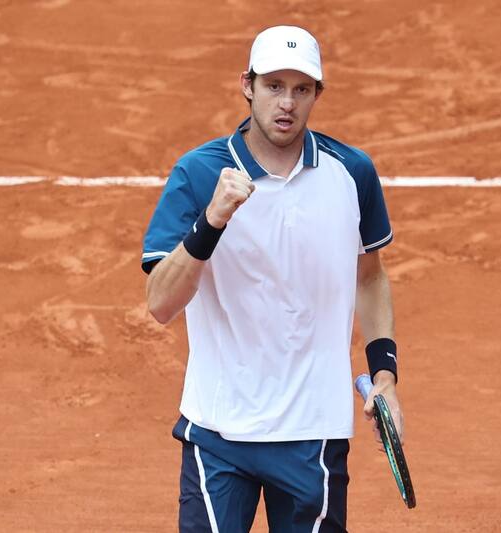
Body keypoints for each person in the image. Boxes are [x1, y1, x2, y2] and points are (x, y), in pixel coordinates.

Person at [141, 25, 404, 533]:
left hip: (314, 432)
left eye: (301, 89)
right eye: (274, 86)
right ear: (248, 85)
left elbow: (369, 279)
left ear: (317, 95)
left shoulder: (352, 173)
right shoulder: (198, 174)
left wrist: (386, 377)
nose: (287, 103)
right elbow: (160, 303)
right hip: (218, 431)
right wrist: (211, 220)